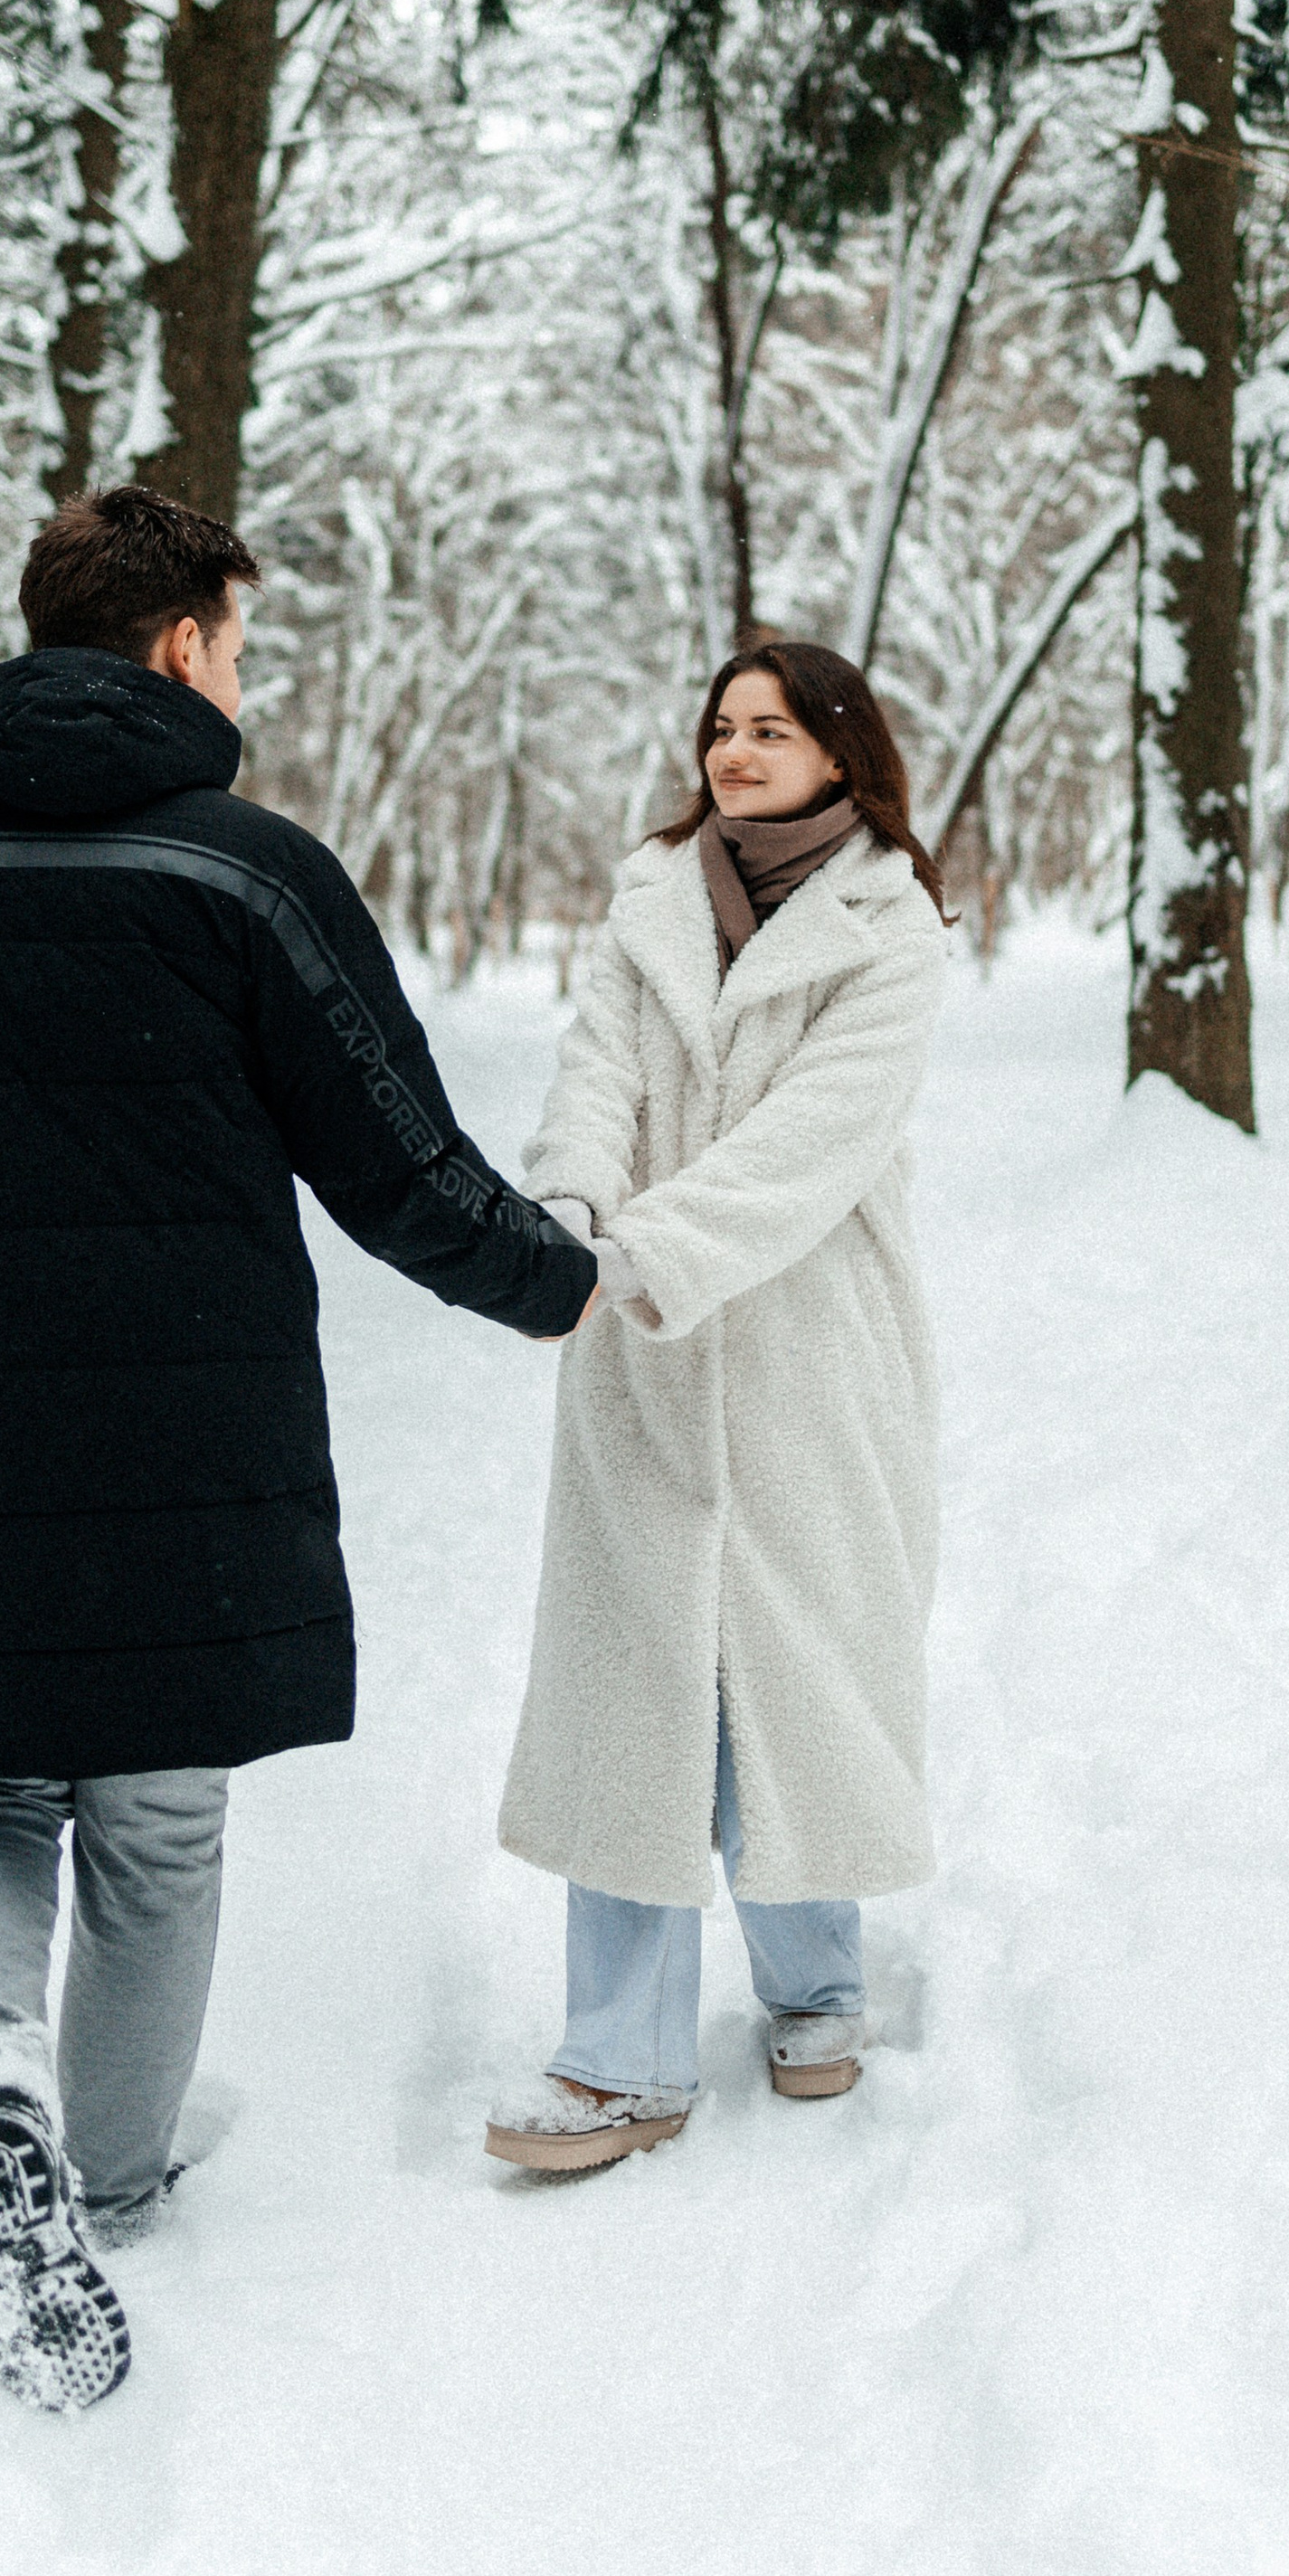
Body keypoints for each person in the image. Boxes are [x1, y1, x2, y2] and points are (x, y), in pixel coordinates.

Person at [0, 487, 595, 2405]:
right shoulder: (245, 870)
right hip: (186, 1418)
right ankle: (108, 2183)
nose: (239, 672)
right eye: (233, 639)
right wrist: (565, 1289)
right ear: (175, 648)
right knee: (152, 1816)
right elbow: (398, 1160)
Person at [484, 640, 953, 2173]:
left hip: (812, 1349)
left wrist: (644, 1252)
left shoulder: (893, 928)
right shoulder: (651, 902)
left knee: (789, 1666)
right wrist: (566, 1213)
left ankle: (815, 1984)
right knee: (636, 1685)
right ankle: (620, 2060)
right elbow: (598, 1074)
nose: (736, 752)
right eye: (719, 729)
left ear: (839, 750)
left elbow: (815, 1146)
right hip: (637, 1346)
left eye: (769, 729)